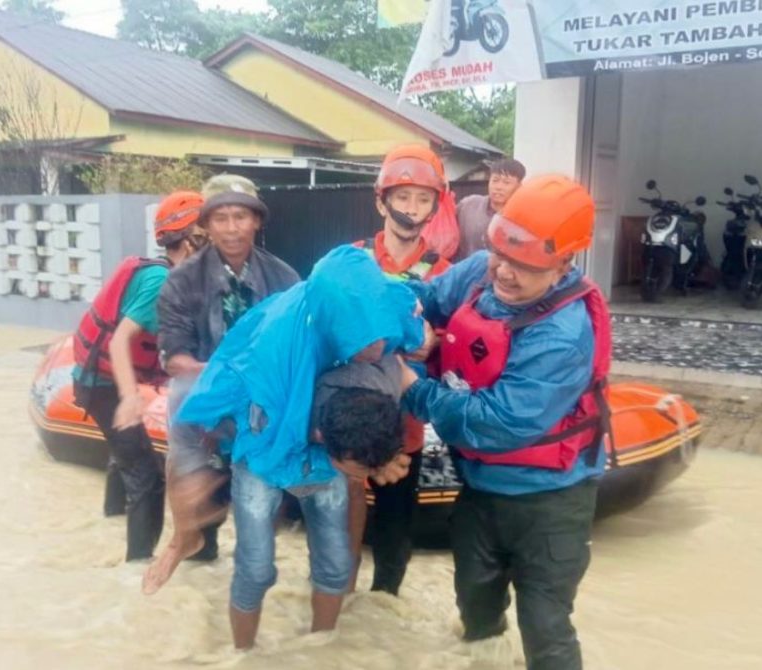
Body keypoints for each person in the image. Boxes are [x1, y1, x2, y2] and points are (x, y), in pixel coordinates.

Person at [399, 175, 611, 670]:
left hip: (550, 501)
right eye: (501, 255)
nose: (505, 273)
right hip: (479, 488)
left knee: (546, 627)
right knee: (475, 606)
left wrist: (413, 389)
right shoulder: (481, 271)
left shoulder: (563, 335)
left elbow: (498, 423)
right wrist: (413, 329)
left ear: (563, 264)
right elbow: (422, 298)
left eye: (525, 265)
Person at [169, 246, 425, 649]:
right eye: (364, 342)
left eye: (379, 336)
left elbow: (407, 336)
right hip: (264, 442)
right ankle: (242, 653)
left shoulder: (381, 319)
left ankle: (319, 651)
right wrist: (203, 476)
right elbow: (209, 414)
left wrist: (377, 455)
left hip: (333, 437)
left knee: (336, 563)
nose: (375, 349)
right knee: (255, 568)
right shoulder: (276, 352)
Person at [148, 174, 300, 574]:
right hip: (205, 397)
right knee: (181, 402)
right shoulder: (181, 281)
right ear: (206, 225)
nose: (232, 228)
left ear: (256, 221)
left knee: (260, 531)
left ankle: (255, 566)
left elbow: (297, 351)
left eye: (241, 216)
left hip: (263, 401)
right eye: (221, 218)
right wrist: (228, 377)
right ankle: (186, 537)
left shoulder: (285, 279)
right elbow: (174, 357)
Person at [71, 190, 208, 561]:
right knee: (147, 475)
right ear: (190, 240)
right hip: (103, 385)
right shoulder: (160, 282)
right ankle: (136, 569)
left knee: (125, 453)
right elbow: (120, 341)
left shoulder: (170, 276)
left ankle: (111, 519)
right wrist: (131, 398)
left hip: (100, 378)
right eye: (206, 234)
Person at [352, 143, 452, 595]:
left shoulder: (445, 273)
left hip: (405, 424)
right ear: (382, 202)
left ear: (434, 207)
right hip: (346, 416)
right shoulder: (350, 260)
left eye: (423, 199)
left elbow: (453, 346)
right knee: (336, 521)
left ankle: (384, 608)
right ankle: (333, 608)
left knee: (394, 530)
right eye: (403, 197)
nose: (412, 208)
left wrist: (434, 344)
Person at [454, 158, 526, 262]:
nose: (498, 187)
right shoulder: (468, 205)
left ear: (519, 186)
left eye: (506, 183)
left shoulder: (524, 217)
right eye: (495, 181)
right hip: (465, 268)